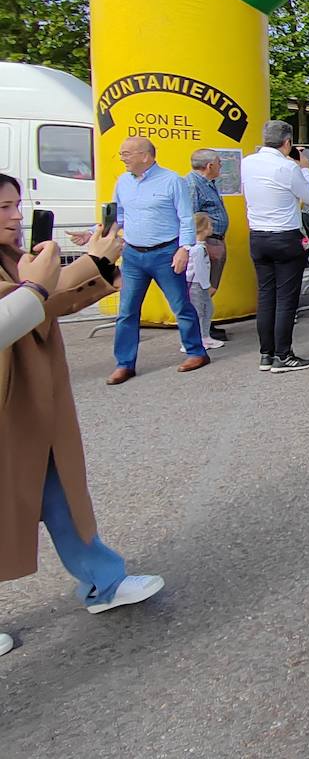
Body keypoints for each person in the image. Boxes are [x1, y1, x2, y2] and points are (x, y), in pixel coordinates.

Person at [2, 176, 165, 654]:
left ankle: (104, 582)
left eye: (16, 205)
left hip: (31, 403)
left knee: (60, 490)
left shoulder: (14, 256)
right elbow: (26, 305)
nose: (15, 216)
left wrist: (92, 262)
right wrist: (80, 267)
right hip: (13, 405)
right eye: (5, 207)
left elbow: (40, 304)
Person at [106, 136, 208, 385]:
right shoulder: (122, 182)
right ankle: (124, 363)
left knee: (180, 305)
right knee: (127, 311)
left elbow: (186, 217)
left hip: (165, 253)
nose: (122, 157)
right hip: (133, 255)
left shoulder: (172, 180)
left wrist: (184, 249)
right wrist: (96, 234)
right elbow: (116, 215)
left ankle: (196, 352)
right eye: (122, 153)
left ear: (145, 155)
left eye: (127, 153)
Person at [241, 120, 309, 373]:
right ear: (287, 143)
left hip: (258, 235)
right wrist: (305, 168)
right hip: (285, 236)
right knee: (286, 299)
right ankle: (283, 355)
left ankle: (266, 353)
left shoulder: (247, 163)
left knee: (266, 296)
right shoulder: (287, 167)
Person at [185, 148, 230, 341]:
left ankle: (205, 324)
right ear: (209, 166)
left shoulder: (207, 183)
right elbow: (192, 218)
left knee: (209, 286)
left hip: (214, 239)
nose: (221, 166)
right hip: (206, 243)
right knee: (204, 287)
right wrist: (200, 242)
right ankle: (200, 329)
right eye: (219, 163)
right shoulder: (194, 185)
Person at [183, 213, 223, 352]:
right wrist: (207, 285)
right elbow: (199, 269)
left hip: (198, 284)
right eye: (210, 225)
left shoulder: (199, 247)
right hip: (197, 285)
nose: (212, 228)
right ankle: (196, 338)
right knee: (199, 311)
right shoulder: (198, 249)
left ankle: (205, 336)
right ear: (203, 229)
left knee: (207, 309)